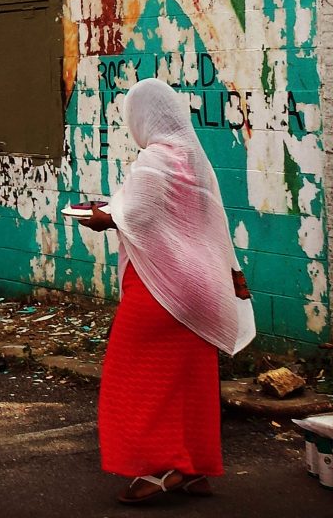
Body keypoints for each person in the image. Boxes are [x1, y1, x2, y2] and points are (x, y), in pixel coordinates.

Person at [79, 78, 255, 505]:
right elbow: (191, 218)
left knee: (134, 378)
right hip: (203, 286)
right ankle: (194, 469)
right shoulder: (194, 160)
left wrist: (105, 217)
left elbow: (136, 212)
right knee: (190, 382)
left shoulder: (154, 159)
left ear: (144, 117)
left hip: (162, 286)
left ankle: (158, 470)